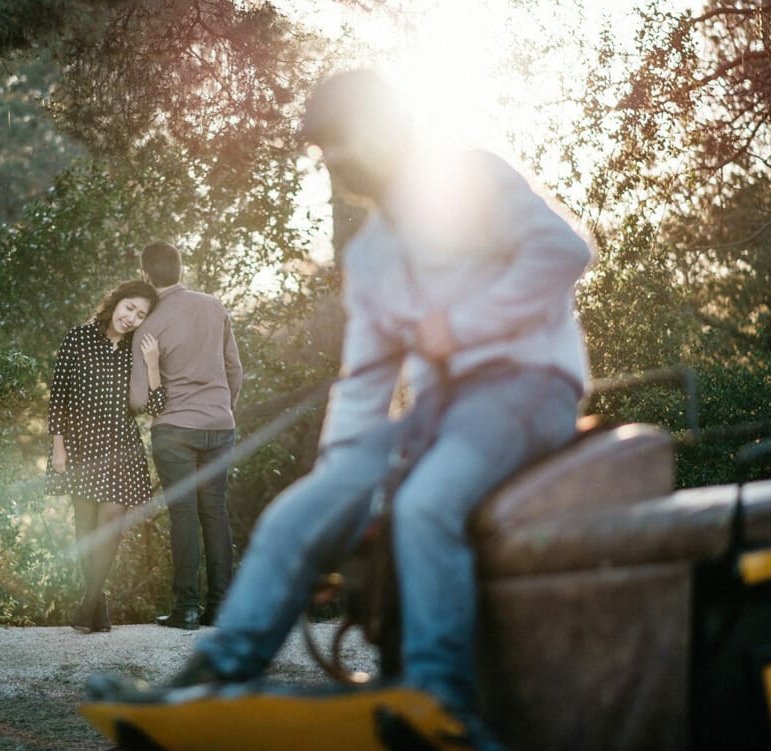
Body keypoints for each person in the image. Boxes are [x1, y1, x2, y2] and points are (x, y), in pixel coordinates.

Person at [95, 70, 594, 749]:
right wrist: (338, 483)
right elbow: (362, 386)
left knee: (424, 506)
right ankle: (212, 675)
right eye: (322, 146)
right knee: (295, 513)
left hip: (526, 385)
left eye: (338, 138)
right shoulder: (371, 255)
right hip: (435, 411)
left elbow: (563, 252)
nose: (330, 157)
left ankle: (440, 699)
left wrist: (464, 322)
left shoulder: (469, 177)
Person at [129, 240, 243, 631]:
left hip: (176, 429)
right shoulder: (214, 307)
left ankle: (187, 610)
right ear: (181, 269)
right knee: (215, 512)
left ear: (146, 275)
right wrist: (220, 409)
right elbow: (235, 373)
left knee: (184, 515)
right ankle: (222, 608)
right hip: (220, 425)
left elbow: (140, 398)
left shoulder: (148, 323)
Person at [47, 279, 165, 633]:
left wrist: (153, 362)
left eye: (140, 314)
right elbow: (59, 396)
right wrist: (58, 445)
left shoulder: (137, 351)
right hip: (80, 446)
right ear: (116, 302)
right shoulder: (77, 338)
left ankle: (87, 607)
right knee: (84, 529)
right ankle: (99, 608)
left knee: (108, 528)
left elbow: (155, 406)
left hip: (121, 451)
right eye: (129, 307)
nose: (131, 317)